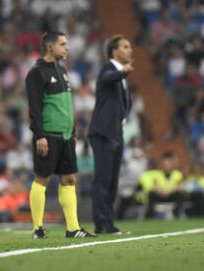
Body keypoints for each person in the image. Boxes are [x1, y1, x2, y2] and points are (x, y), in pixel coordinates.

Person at [25, 31, 96, 239]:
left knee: (69, 179)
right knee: (42, 178)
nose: (67, 48)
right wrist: (39, 135)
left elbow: (66, 105)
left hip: (66, 136)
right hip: (47, 134)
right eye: (63, 44)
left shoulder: (63, 71)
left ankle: (73, 228)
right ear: (49, 46)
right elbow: (35, 108)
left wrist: (73, 132)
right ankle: (37, 228)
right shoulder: (36, 73)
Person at [88, 34, 134, 234]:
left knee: (113, 180)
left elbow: (124, 102)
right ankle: (100, 222)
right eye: (125, 46)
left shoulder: (121, 75)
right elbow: (105, 78)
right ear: (115, 51)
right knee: (103, 178)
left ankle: (109, 220)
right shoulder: (110, 69)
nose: (129, 50)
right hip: (103, 132)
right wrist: (122, 72)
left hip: (116, 131)